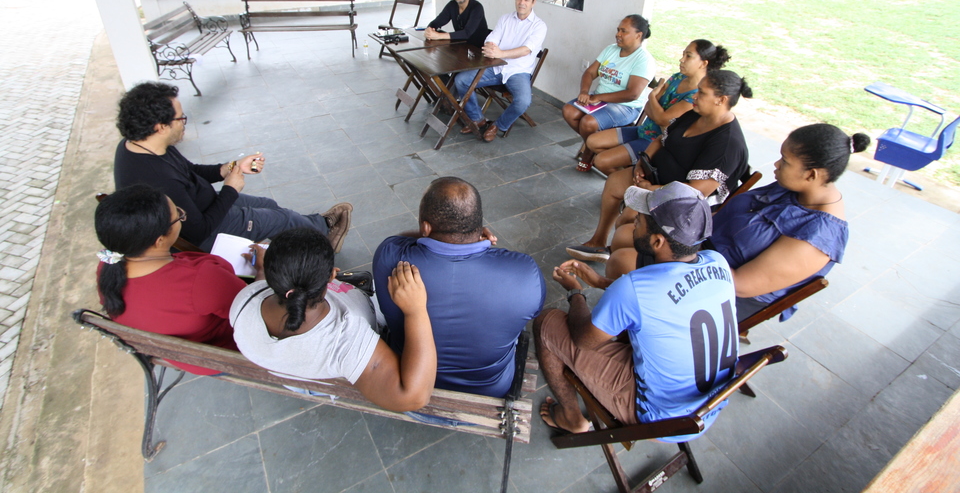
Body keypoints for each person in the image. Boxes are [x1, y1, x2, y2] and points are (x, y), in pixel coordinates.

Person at [534, 183, 738, 439]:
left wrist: (575, 293)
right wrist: (600, 283)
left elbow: (583, 340)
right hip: (708, 405)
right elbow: (659, 300)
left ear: (657, 240)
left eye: (639, 221)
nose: (633, 225)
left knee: (546, 322)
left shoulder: (634, 289)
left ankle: (572, 418)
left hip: (661, 418)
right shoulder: (718, 263)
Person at [113, 82, 351, 252]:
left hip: (204, 205)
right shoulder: (157, 180)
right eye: (180, 118)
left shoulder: (142, 144)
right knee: (283, 219)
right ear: (161, 126)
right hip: (208, 230)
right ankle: (322, 239)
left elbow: (190, 170)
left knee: (269, 206)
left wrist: (229, 168)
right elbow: (198, 232)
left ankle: (313, 229)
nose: (185, 123)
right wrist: (231, 188)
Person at [230, 228, 437, 413]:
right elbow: (413, 397)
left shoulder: (245, 301)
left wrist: (260, 273)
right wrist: (416, 310)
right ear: (332, 276)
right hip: (360, 339)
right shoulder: (345, 340)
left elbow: (263, 290)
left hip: (296, 376)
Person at [372, 177, 545, 398]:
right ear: (478, 224)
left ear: (425, 227)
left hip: (408, 377)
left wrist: (428, 234)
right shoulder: (526, 273)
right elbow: (534, 311)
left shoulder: (390, 258)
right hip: (489, 391)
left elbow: (399, 240)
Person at [567, 70, 752, 264]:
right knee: (615, 182)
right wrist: (642, 161)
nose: (695, 96)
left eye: (702, 93)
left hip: (679, 203)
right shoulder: (696, 114)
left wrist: (652, 189)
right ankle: (598, 241)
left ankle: (623, 259)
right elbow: (661, 139)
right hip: (655, 178)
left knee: (626, 222)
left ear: (721, 100)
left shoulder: (727, 145)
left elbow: (693, 193)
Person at [710, 124, 870, 321]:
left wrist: (681, 255)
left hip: (723, 294)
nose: (776, 165)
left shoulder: (818, 236)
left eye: (784, 161)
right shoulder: (793, 188)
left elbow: (740, 284)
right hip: (703, 254)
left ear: (811, 174)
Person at [95, 184, 247, 375]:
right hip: (229, 357)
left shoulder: (107, 268)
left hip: (183, 357)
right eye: (178, 216)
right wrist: (261, 273)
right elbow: (255, 311)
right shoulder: (199, 279)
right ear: (159, 240)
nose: (182, 217)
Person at [586, 39, 731, 175]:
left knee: (601, 161)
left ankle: (629, 183)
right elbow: (649, 108)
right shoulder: (677, 77)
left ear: (703, 63)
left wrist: (652, 98)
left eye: (688, 56)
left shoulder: (696, 94)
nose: (682, 59)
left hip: (655, 142)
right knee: (592, 142)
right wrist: (655, 107)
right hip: (643, 130)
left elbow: (663, 120)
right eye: (683, 55)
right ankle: (629, 175)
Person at [453, 0, 548, 142]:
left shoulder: (539, 26)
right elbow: (492, 38)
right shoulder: (505, 19)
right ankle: (477, 119)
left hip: (518, 72)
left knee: (524, 101)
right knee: (461, 80)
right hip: (496, 68)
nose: (521, 2)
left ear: (533, 2)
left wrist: (501, 53)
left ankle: (498, 125)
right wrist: (490, 46)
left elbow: (526, 49)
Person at [562, 15, 656, 173]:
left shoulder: (643, 60)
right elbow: (590, 72)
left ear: (638, 35)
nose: (618, 34)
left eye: (623, 31)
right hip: (598, 99)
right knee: (568, 110)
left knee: (588, 123)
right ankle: (598, 147)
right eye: (618, 30)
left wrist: (598, 97)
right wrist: (585, 92)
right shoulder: (611, 49)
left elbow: (632, 94)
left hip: (625, 106)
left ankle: (588, 154)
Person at [424, 0, 491, 48]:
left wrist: (439, 35)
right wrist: (429, 30)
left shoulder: (477, 7)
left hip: (479, 51)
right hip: (461, 48)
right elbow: (436, 23)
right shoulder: (452, 5)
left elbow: (467, 33)